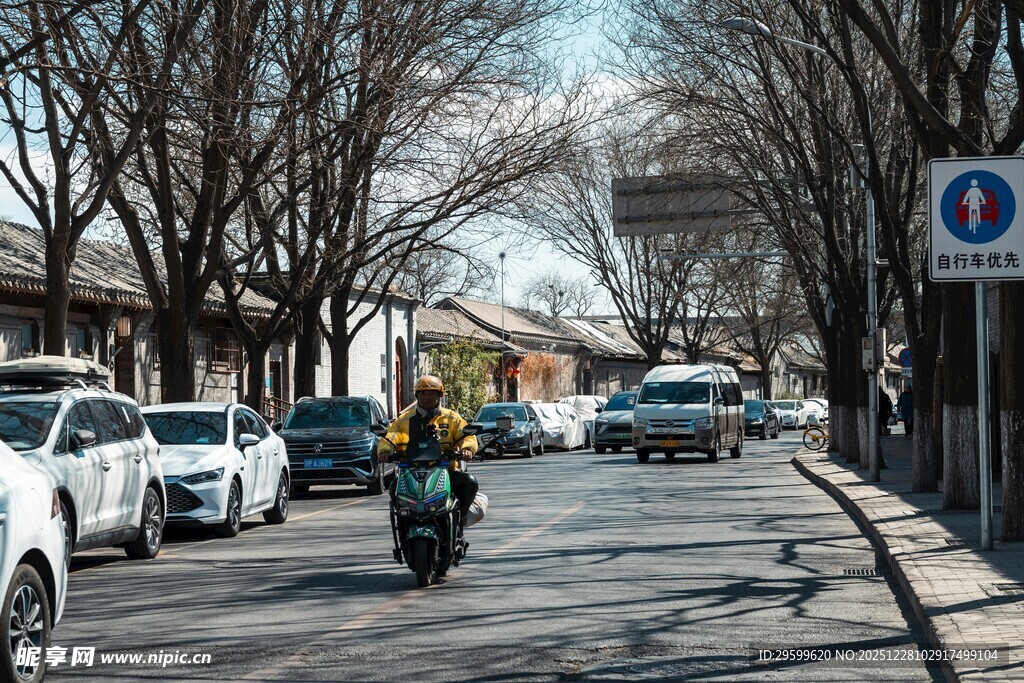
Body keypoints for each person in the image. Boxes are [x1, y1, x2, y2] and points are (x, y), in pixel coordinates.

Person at [377, 375, 479, 534]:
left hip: (445, 472)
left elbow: (467, 436)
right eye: (422, 393)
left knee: (469, 482)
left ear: (439, 396)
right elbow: (390, 436)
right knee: (393, 488)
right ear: (417, 396)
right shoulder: (404, 419)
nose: (427, 397)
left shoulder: (451, 417)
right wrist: (384, 450)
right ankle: (404, 527)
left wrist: (467, 449)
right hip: (412, 473)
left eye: (431, 393)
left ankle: (459, 520)